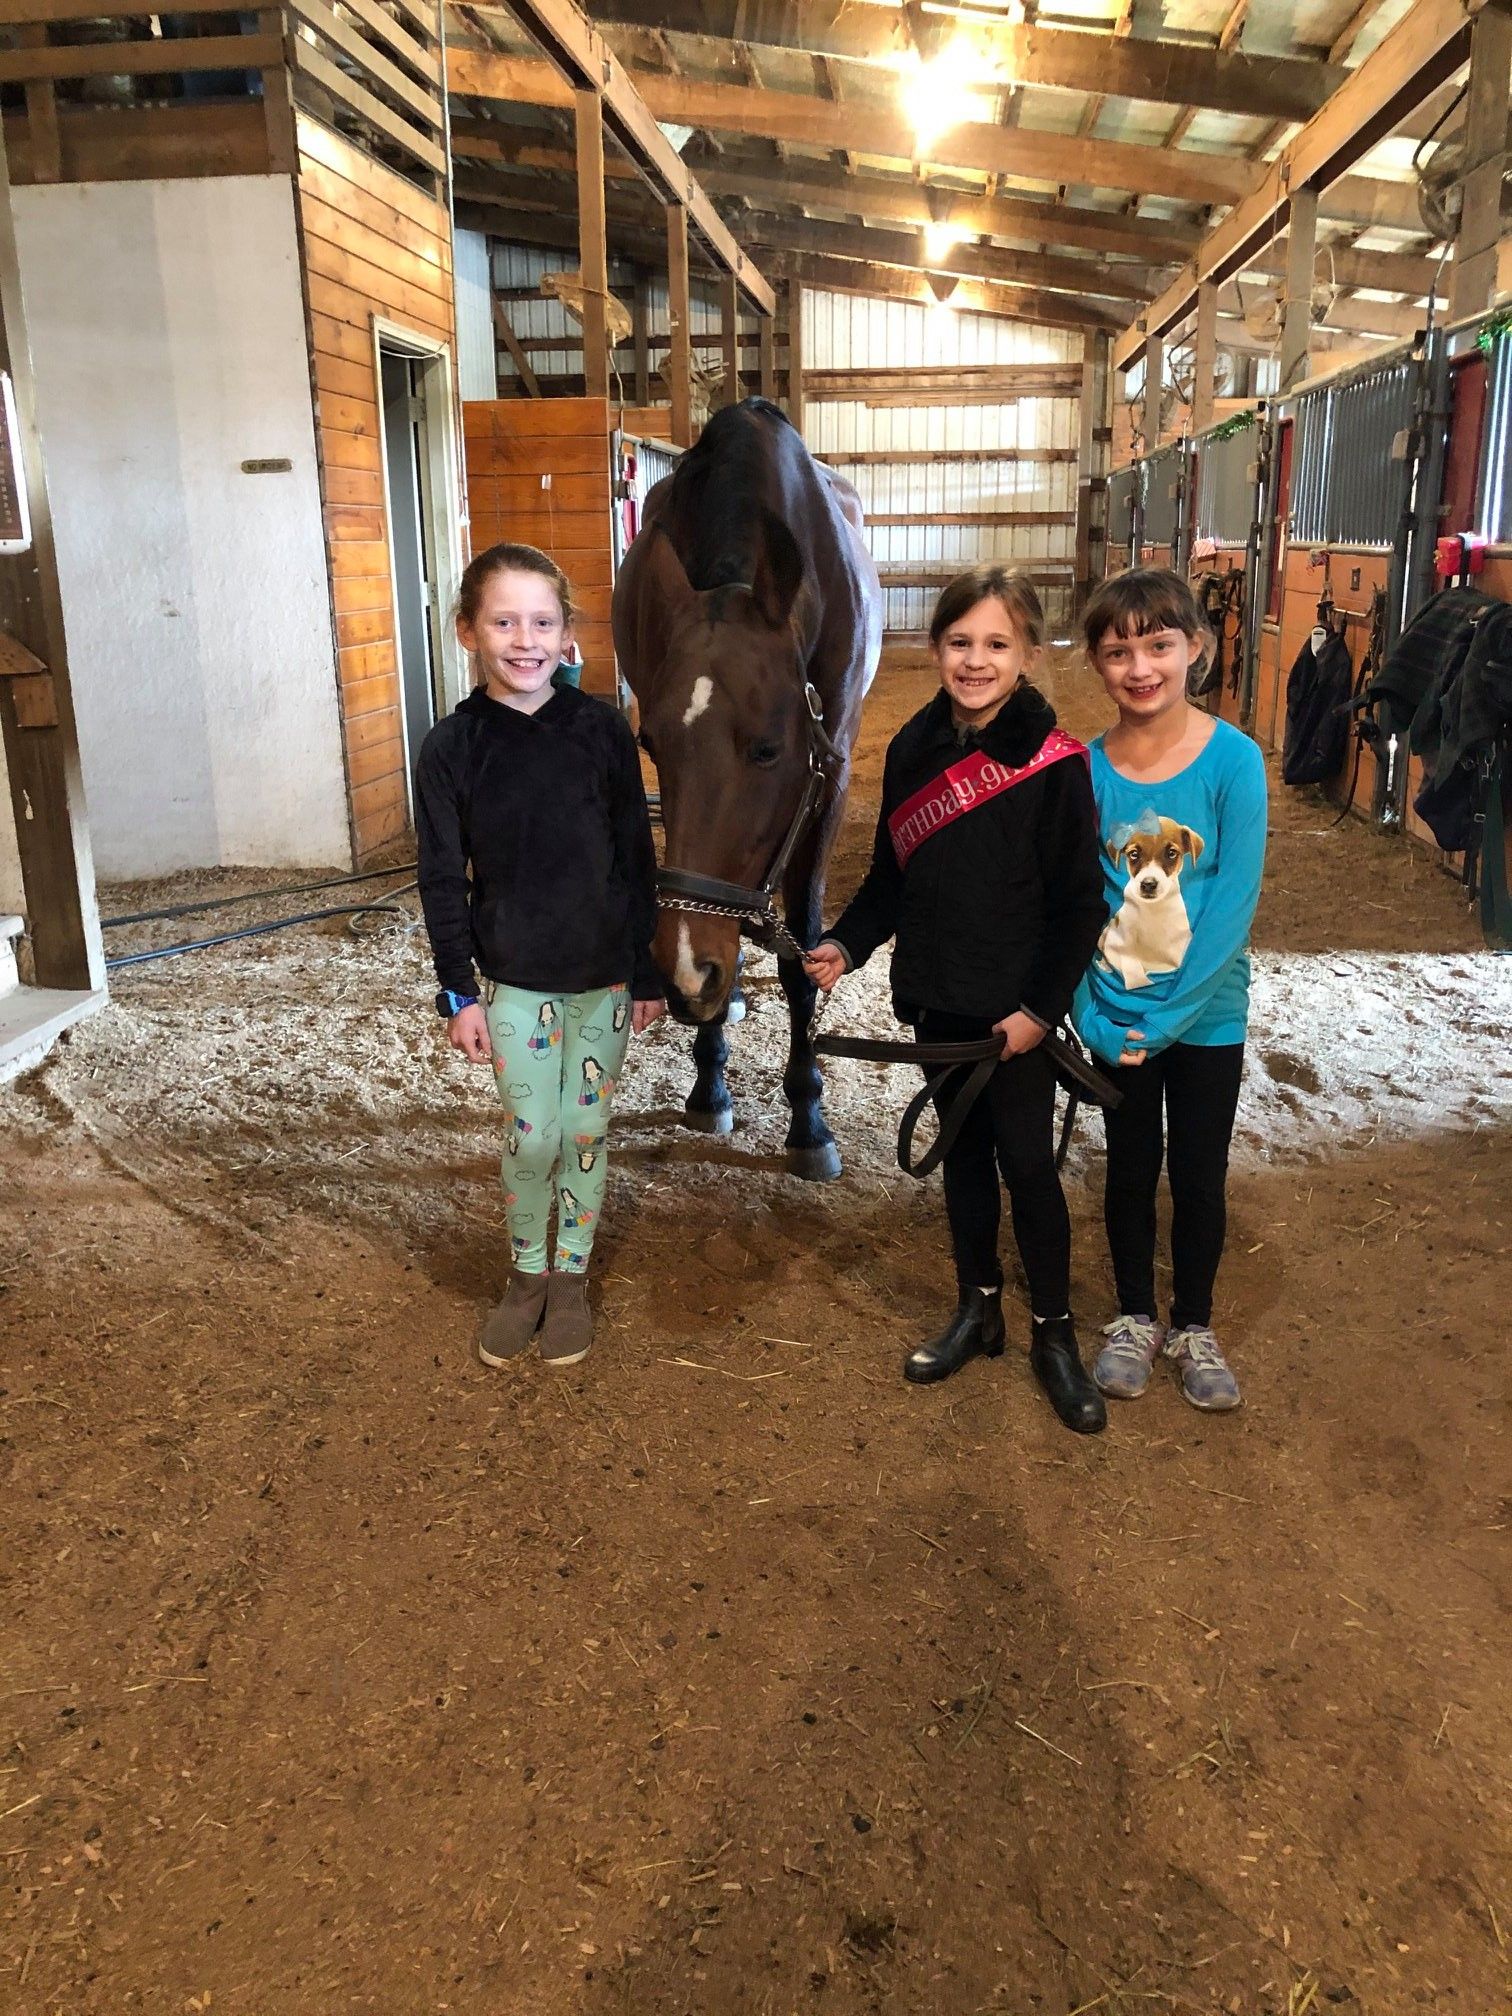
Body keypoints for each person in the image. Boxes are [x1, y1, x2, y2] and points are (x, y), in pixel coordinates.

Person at [804, 566, 1109, 1433]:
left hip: (1011, 1018)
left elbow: (1080, 904)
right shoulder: (911, 747)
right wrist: (845, 944)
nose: (975, 661)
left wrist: (1038, 1012)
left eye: (996, 645)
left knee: (1029, 1170)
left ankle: (1055, 1332)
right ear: (936, 648)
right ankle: (981, 1309)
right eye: (960, 642)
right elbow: (890, 878)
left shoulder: (1055, 764)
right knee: (964, 1164)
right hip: (939, 1003)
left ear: (1028, 655)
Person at [415, 542, 665, 1369]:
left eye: (544, 621)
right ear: (467, 631)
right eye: (504, 620)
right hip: (514, 982)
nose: (525, 639)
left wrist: (649, 969)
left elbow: (635, 855)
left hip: (603, 981)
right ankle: (524, 1277)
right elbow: (442, 877)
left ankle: (570, 1280)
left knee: (586, 1128)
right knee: (533, 1136)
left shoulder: (598, 729)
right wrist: (460, 993)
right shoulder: (452, 747)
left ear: (567, 636)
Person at [1074, 568, 1267, 1413]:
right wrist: (1090, 1015)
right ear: (1097, 663)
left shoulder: (1234, 761)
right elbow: (1075, 901)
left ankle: (1193, 1322)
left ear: (1197, 646)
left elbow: (1232, 907)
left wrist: (1168, 1017)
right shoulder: (1085, 771)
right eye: (1119, 652)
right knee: (1128, 1169)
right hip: (1115, 1017)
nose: (1140, 667)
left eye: (1158, 645)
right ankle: (1132, 1316)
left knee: (1197, 1173)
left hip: (1205, 1018)